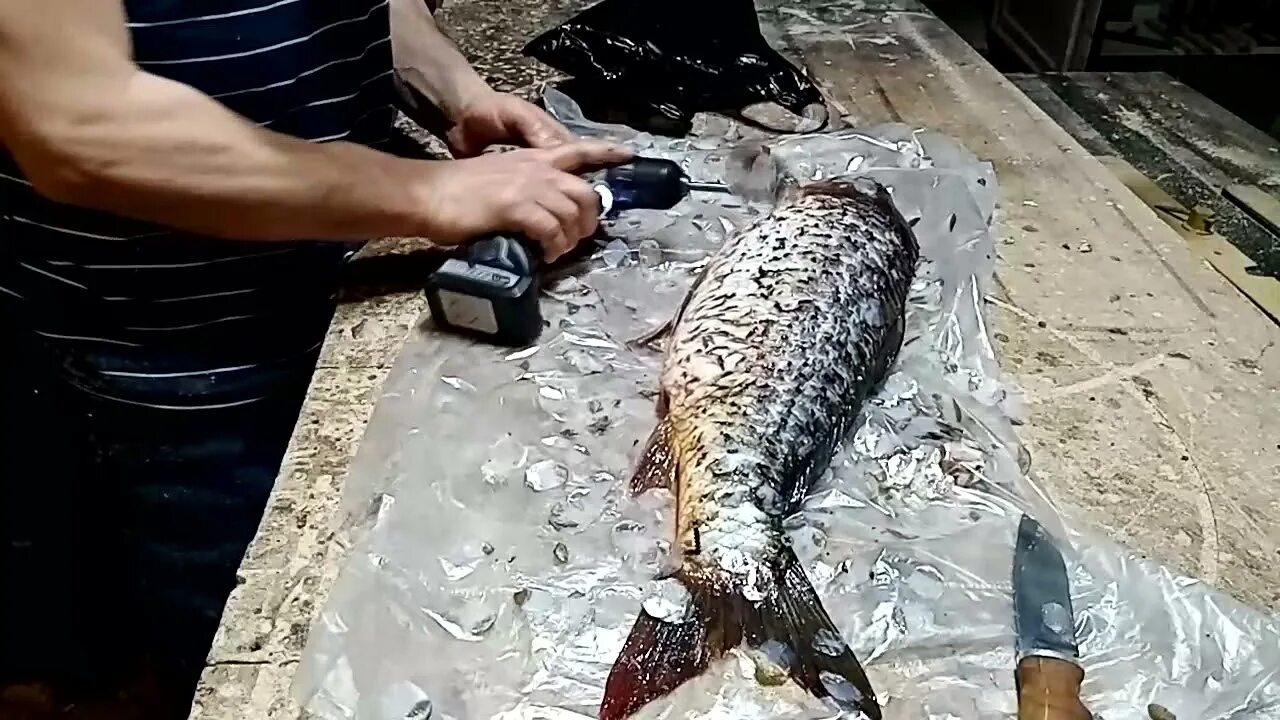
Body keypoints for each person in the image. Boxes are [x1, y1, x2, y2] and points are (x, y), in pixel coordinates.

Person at [0, 0, 631, 716]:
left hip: (356, 261)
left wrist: (454, 93)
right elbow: (80, 131)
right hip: (185, 360)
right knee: (264, 657)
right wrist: (425, 190)